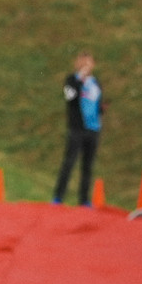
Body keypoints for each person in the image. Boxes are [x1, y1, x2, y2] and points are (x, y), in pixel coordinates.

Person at [54, 51, 101, 206]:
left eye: (89, 63)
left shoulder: (96, 83)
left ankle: (84, 199)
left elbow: (95, 104)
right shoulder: (71, 81)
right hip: (77, 129)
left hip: (92, 129)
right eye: (83, 63)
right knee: (69, 162)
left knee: (87, 166)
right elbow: (70, 98)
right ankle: (58, 197)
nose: (86, 66)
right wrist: (80, 79)